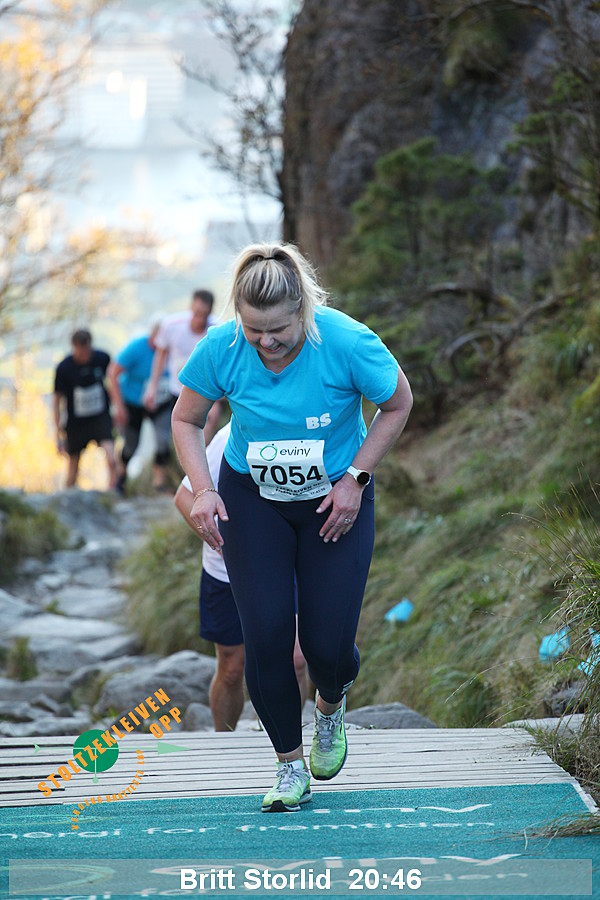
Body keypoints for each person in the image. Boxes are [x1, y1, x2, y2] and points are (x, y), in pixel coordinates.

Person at [172, 242, 412, 813]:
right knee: (267, 637)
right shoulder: (221, 347)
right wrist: (203, 490)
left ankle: (330, 705)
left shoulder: (347, 341)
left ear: (303, 308)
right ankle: (287, 765)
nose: (266, 342)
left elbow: (398, 403)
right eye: (253, 330)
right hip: (255, 500)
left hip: (334, 501)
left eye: (278, 330)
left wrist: (356, 479)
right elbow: (185, 419)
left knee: (327, 647)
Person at [174, 422, 310, 732]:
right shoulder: (229, 437)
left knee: (296, 660)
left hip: (285, 565)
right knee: (232, 668)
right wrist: (223, 544)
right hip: (227, 573)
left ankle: (289, 736)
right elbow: (184, 496)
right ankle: (224, 742)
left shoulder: (302, 424)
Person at [143, 289, 221, 445]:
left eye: (204, 315)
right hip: (177, 391)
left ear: (210, 312)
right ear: (191, 307)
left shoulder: (216, 331)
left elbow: (219, 368)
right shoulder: (171, 325)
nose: (199, 319)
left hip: (205, 392)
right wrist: (152, 386)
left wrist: (217, 400)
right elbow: (160, 356)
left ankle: (203, 457)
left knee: (205, 429)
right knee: (181, 436)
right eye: (197, 313)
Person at [107, 317, 173, 493]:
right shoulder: (136, 347)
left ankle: (159, 483)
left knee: (163, 440)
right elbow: (112, 372)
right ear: (153, 334)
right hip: (133, 402)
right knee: (131, 444)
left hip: (161, 402)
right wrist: (118, 406)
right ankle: (121, 478)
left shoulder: (172, 349)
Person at [53, 329, 117, 489]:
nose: (84, 355)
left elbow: (113, 383)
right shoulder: (64, 368)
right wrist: (58, 433)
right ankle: (68, 495)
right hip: (76, 422)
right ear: (74, 347)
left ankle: (113, 493)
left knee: (111, 458)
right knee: (73, 465)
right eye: (80, 351)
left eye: (87, 350)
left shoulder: (102, 358)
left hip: (100, 418)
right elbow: (56, 400)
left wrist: (117, 408)